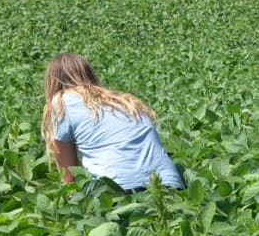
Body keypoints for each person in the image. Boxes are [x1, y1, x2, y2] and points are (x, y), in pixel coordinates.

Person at [41, 53, 184, 191]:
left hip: (118, 187)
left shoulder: (61, 102)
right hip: (168, 184)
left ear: (52, 82)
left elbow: (68, 177)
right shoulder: (122, 101)